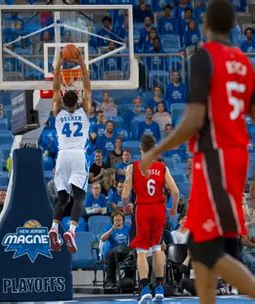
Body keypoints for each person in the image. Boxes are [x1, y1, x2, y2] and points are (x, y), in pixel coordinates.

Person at [140, 2, 255, 302]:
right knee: (202, 248)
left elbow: (192, 121)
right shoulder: (244, 62)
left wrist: (156, 151)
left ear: (205, 25)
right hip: (236, 155)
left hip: (215, 155)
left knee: (204, 249)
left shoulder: (205, 57)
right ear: (232, 26)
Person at [121, 134, 180, 303]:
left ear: (141, 148)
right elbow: (175, 192)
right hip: (159, 208)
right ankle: (160, 287)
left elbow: (125, 194)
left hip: (143, 209)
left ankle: (145, 288)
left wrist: (126, 207)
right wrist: (174, 209)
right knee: (157, 248)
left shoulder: (133, 167)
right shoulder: (162, 167)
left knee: (141, 250)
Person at [48, 50, 91, 254]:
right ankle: (71, 231)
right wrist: (81, 62)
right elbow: (88, 85)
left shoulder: (58, 111)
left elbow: (56, 85)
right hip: (78, 155)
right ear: (79, 99)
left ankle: (54, 227)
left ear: (64, 100)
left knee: (63, 198)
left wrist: (58, 65)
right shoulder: (85, 111)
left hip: (62, 156)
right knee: (80, 196)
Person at [100, 211, 131, 288]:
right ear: (112, 219)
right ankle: (110, 281)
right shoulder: (109, 228)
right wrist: (112, 229)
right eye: (116, 216)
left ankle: (129, 280)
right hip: (114, 252)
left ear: (123, 219)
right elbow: (103, 239)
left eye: (120, 216)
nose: (118, 218)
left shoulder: (128, 228)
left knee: (132, 255)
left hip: (125, 251)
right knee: (110, 254)